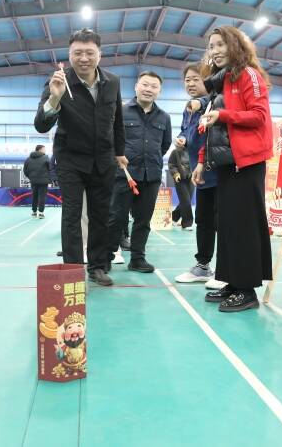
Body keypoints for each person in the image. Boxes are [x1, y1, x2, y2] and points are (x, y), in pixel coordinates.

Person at [34, 28, 126, 286]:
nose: (83, 58)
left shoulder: (113, 82)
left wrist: (120, 152)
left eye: (89, 53)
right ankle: (73, 271)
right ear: (69, 54)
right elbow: (41, 125)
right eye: (77, 53)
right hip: (70, 160)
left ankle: (97, 266)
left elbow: (117, 121)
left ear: (100, 54)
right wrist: (55, 98)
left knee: (100, 215)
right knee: (72, 216)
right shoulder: (58, 82)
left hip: (103, 159)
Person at [192, 26, 273, 312]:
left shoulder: (248, 75)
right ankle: (233, 281)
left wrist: (223, 114)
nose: (214, 51)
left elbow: (259, 116)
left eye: (220, 44)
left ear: (235, 45)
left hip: (247, 162)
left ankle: (247, 289)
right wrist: (202, 161)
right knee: (227, 225)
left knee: (244, 226)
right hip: (226, 163)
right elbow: (211, 129)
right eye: (211, 46)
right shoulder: (221, 81)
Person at [106, 71, 171, 274]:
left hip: (151, 177)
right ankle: (105, 258)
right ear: (136, 87)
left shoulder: (164, 117)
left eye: (154, 86)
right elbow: (110, 140)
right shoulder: (120, 112)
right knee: (116, 218)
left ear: (159, 91)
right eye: (145, 84)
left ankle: (137, 259)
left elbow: (164, 145)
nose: (148, 89)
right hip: (123, 175)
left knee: (143, 221)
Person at [174, 63, 219, 287]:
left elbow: (207, 101)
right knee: (203, 220)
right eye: (187, 80)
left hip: (219, 173)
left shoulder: (214, 102)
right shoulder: (187, 109)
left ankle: (227, 270)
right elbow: (186, 129)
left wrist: (200, 103)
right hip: (200, 175)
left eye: (196, 79)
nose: (190, 83)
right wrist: (182, 138)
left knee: (224, 222)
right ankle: (203, 266)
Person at [169, 142, 193, 230]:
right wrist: (176, 174)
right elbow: (171, 165)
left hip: (191, 179)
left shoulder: (193, 151)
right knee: (186, 201)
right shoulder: (175, 152)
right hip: (180, 180)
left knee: (186, 201)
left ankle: (173, 217)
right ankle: (187, 223)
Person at [24, 144, 51, 218]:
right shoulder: (46, 158)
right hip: (43, 181)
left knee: (34, 196)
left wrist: (31, 177)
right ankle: (41, 213)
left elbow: (25, 171)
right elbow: (50, 169)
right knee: (42, 197)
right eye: (44, 149)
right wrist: (49, 178)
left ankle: (34, 212)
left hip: (33, 181)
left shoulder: (28, 159)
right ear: (40, 150)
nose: (45, 151)